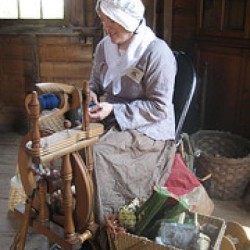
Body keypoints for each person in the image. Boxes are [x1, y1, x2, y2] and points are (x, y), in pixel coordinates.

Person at [88, 0, 177, 247]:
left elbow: (159, 108)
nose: (106, 26)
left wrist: (114, 109)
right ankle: (84, 213)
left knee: (96, 152)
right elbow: (94, 83)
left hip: (150, 128)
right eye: (104, 19)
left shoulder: (157, 53)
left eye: (112, 20)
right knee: (75, 143)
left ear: (129, 21)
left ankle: (108, 230)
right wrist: (91, 95)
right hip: (113, 116)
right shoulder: (104, 47)